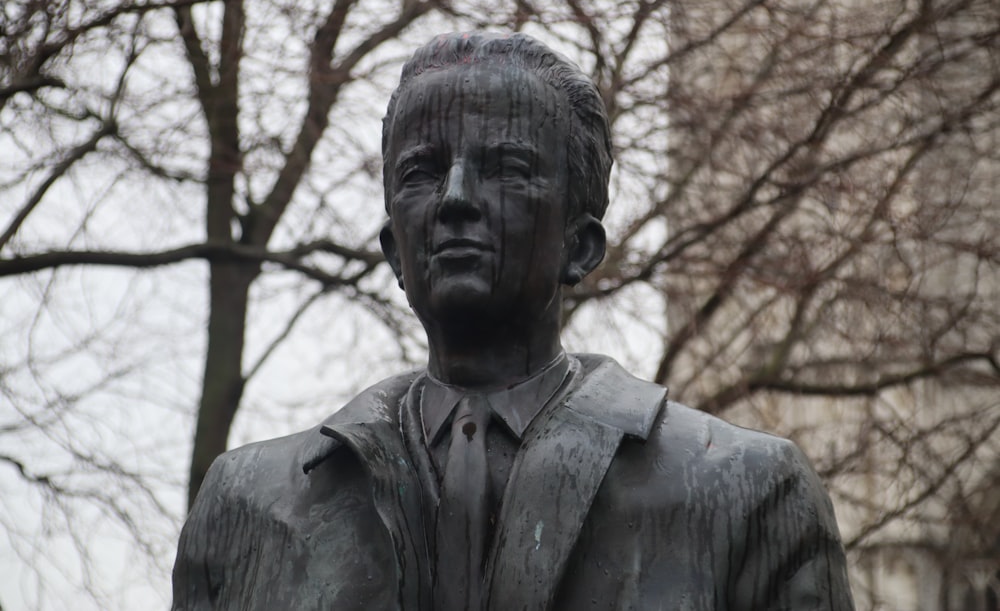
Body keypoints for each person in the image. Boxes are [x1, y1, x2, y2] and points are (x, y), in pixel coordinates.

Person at [172, 32, 855, 610]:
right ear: (393, 249)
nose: (456, 199)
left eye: (506, 168)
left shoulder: (749, 494)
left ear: (581, 245)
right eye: (423, 171)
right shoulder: (248, 506)